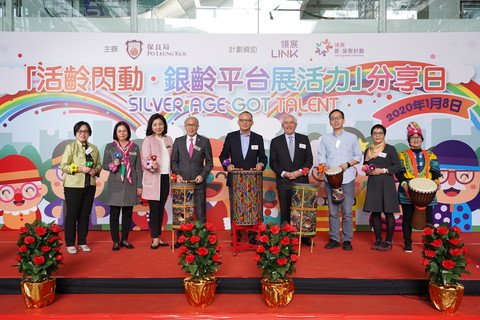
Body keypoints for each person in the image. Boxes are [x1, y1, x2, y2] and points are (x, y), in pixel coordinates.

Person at [219, 111, 268, 244]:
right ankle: (236, 234)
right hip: (235, 179)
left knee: (253, 207)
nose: (245, 122)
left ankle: (253, 235)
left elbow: (263, 157)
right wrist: (227, 165)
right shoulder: (231, 137)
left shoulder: (258, 138)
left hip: (253, 181)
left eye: (247, 120)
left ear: (252, 122)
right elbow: (223, 156)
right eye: (242, 120)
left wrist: (261, 164)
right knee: (236, 208)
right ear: (238, 122)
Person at [317, 109, 362, 251]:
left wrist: (347, 164)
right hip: (330, 180)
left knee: (347, 211)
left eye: (338, 118)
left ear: (343, 120)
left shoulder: (352, 137)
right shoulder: (325, 139)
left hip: (347, 179)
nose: (336, 121)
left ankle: (347, 240)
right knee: (333, 211)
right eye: (333, 118)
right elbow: (321, 156)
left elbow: (358, 156)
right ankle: (334, 238)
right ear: (330, 122)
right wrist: (324, 165)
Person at [396, 121, 441, 253]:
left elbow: (436, 171)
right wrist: (404, 183)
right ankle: (408, 243)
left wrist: (436, 182)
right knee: (407, 217)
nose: (415, 140)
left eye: (418, 138)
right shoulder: (402, 155)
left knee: (429, 219)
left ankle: (430, 243)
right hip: (407, 189)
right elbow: (399, 172)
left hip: (427, 190)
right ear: (409, 140)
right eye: (412, 138)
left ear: (421, 139)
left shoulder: (430, 154)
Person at [269, 115, 313, 245]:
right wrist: (284, 173)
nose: (289, 125)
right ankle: (285, 238)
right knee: (285, 211)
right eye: (286, 123)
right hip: (284, 181)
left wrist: (298, 172)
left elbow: (309, 160)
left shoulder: (304, 139)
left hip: (301, 181)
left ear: (295, 125)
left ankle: (304, 237)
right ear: (282, 126)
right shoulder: (276, 141)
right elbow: (273, 162)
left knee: (303, 211)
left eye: (291, 122)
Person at [171, 116, 213, 248]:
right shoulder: (178, 141)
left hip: (198, 183)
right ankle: (181, 239)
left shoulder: (204, 141)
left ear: (198, 126)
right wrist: (177, 174)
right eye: (188, 125)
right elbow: (174, 162)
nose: (191, 127)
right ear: (185, 126)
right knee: (182, 213)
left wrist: (203, 175)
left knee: (200, 212)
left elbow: (209, 162)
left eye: (193, 125)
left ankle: (201, 240)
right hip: (182, 184)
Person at [60, 121, 101, 254]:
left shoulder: (94, 148)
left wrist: (96, 170)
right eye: (80, 131)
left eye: (85, 131)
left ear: (89, 133)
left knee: (85, 215)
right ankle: (70, 243)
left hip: (90, 185)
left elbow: (99, 165)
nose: (83, 134)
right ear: (76, 134)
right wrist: (79, 169)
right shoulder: (70, 147)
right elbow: (64, 166)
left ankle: (82, 242)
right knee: (72, 215)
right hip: (73, 186)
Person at [103, 121, 143, 251]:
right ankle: (115, 241)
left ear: (128, 132)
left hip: (130, 184)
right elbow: (104, 165)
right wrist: (113, 165)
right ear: (115, 133)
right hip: (115, 184)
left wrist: (139, 186)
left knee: (127, 214)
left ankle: (124, 239)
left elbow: (138, 168)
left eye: (124, 131)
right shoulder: (110, 147)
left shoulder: (135, 147)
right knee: (114, 214)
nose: (122, 133)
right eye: (119, 131)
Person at [363, 124, 401, 251]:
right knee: (376, 212)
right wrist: (366, 170)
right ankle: (378, 239)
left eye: (380, 133)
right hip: (374, 184)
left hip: (387, 183)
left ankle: (388, 241)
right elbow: (366, 167)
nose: (377, 135)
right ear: (372, 135)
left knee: (389, 212)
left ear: (384, 135)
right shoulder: (368, 150)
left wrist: (383, 170)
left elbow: (397, 166)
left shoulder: (390, 149)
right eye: (375, 133)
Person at [141, 113, 173, 249]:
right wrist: (151, 165)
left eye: (160, 124)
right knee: (154, 209)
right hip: (154, 179)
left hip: (166, 178)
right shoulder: (148, 139)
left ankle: (158, 236)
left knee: (161, 209)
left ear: (164, 125)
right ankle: (154, 238)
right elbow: (145, 160)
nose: (158, 127)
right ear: (151, 126)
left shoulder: (169, 139)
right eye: (155, 125)